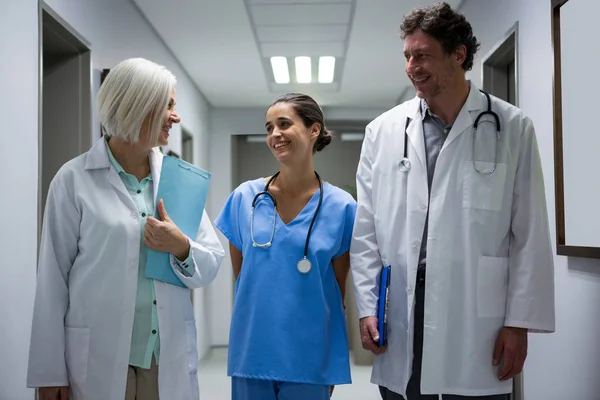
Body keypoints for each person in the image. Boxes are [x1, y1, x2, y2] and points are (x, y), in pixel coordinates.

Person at [349, 3, 555, 400]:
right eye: (407, 56)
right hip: (403, 306)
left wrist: (519, 324)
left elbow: (530, 232)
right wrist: (367, 307)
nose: (411, 66)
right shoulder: (383, 131)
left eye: (422, 55)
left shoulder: (512, 128)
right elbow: (366, 231)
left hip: (476, 313)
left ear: (458, 55)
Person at [27, 57, 225, 400]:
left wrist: (181, 247)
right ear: (139, 106)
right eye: (169, 105)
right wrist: (49, 371)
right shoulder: (73, 180)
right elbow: (52, 281)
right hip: (96, 356)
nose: (176, 116)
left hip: (163, 358)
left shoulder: (180, 179)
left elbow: (211, 263)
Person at [214, 93, 356, 400]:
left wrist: (329, 363)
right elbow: (244, 279)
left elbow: (336, 291)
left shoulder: (342, 207)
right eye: (268, 128)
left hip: (309, 353)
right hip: (254, 349)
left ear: (313, 130)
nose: (274, 134)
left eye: (284, 124)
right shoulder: (244, 198)